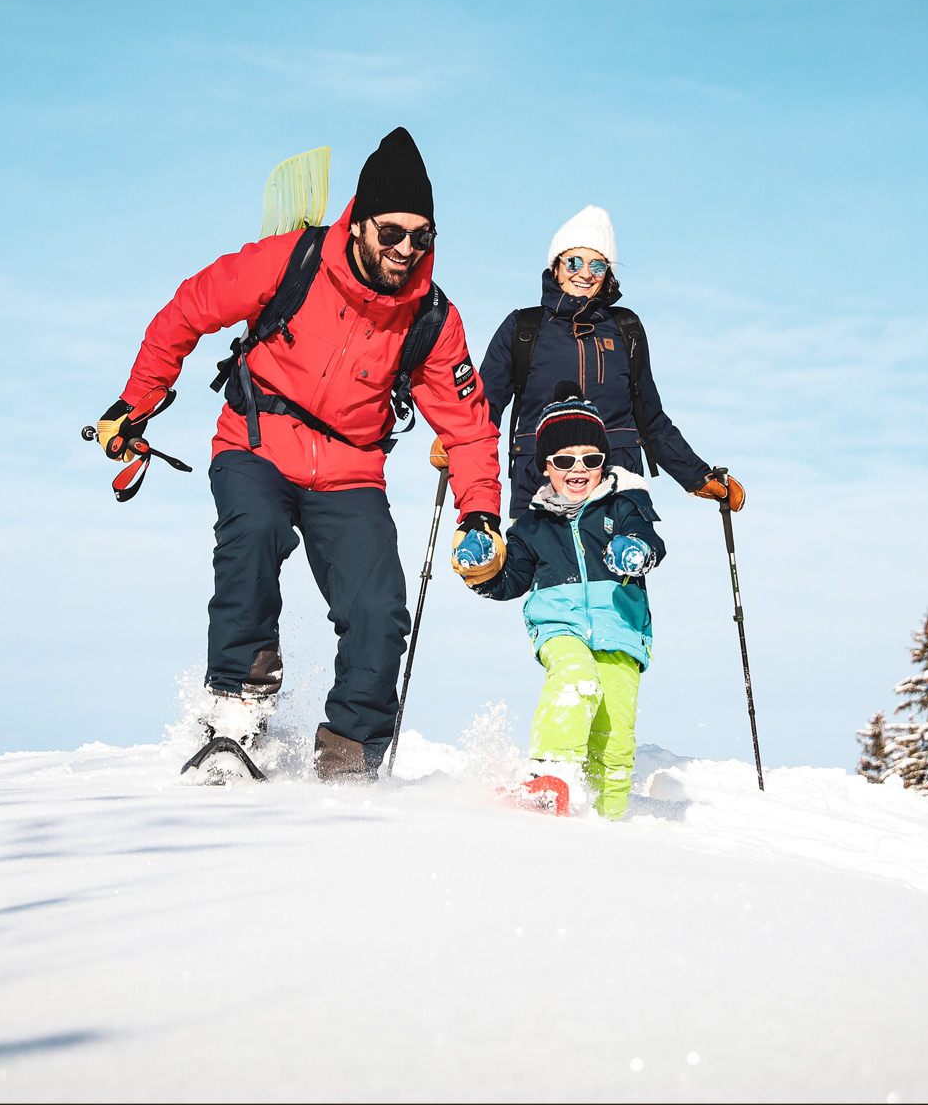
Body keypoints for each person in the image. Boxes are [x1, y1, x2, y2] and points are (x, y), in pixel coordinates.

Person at [96, 128, 506, 780]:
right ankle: (235, 715)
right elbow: (187, 311)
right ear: (360, 222)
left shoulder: (430, 317)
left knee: (380, 609)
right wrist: (134, 403)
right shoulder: (291, 261)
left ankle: (351, 756)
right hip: (257, 441)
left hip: (349, 471)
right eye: (391, 232)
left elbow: (469, 425)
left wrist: (480, 513)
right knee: (252, 535)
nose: (405, 249)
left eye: (420, 236)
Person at [466, 382, 665, 819]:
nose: (578, 469)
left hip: (621, 631)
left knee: (615, 740)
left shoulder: (623, 508)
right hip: (560, 626)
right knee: (577, 677)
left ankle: (605, 820)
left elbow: (651, 542)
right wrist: (481, 576)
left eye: (591, 460)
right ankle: (546, 776)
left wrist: (636, 550)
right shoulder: (531, 526)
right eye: (564, 461)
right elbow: (510, 581)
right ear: (546, 467)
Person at [478, 204, 745, 519]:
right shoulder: (523, 327)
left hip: (617, 490)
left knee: (622, 563)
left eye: (598, 265)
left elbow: (650, 417)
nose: (586, 273)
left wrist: (697, 475)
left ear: (607, 276)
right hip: (541, 489)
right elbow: (484, 406)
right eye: (574, 261)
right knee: (541, 568)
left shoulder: (626, 328)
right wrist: (455, 443)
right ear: (556, 267)